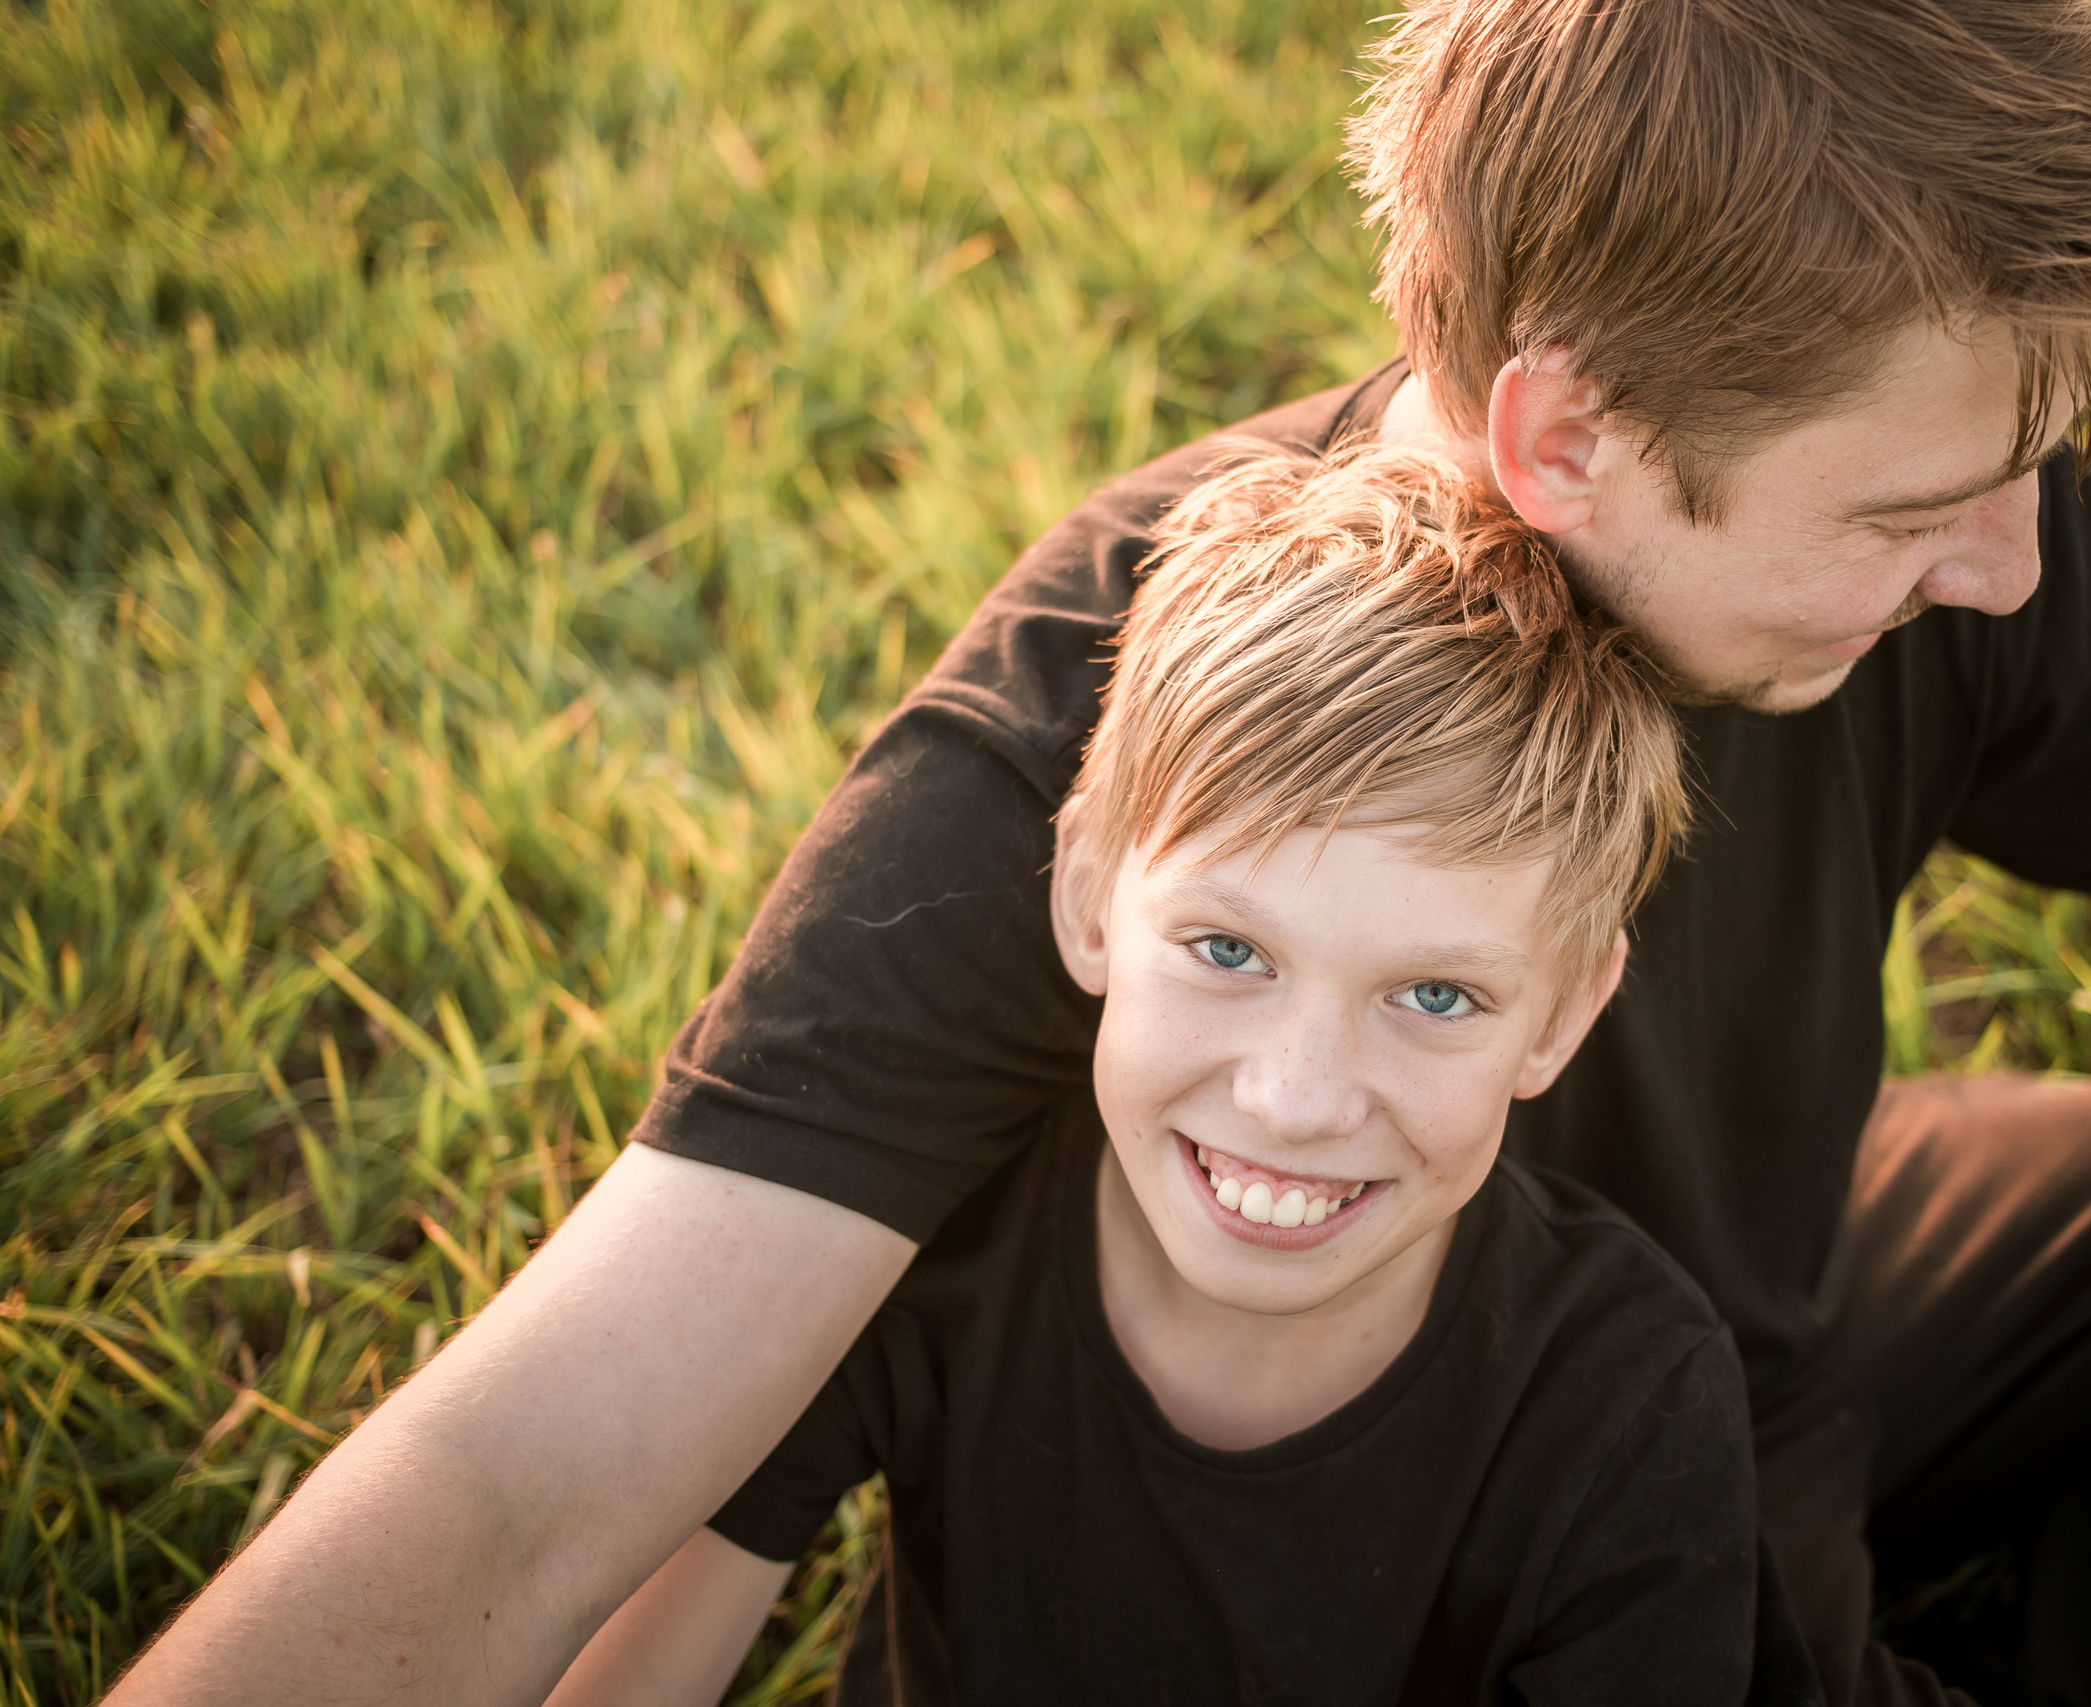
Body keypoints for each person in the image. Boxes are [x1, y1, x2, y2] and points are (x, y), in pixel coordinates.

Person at [107, 0, 2091, 1704]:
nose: (2010, 570)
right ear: (1566, 436)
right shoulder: (1115, 738)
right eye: (1914, 507)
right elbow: (521, 1481)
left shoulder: (1970, 533)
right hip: (1380, 1466)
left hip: (1742, 1329)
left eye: (2023, 477)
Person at [539, 443, 1814, 1706]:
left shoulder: (1629, 1411)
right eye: (1228, 951)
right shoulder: (924, 1250)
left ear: (1561, 1017)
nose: (1294, 1101)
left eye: (1434, 996)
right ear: (1088, 895)